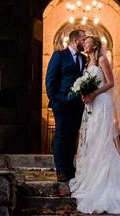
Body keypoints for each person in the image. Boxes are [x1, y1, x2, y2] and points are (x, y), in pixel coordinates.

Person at [70, 36, 120, 214]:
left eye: (87, 41)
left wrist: (94, 94)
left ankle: (105, 179)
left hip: (102, 103)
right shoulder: (86, 62)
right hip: (91, 104)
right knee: (91, 139)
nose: (84, 43)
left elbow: (111, 83)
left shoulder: (102, 59)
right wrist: (84, 94)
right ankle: (93, 177)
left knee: (101, 139)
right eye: (84, 41)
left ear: (95, 45)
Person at [45, 28, 87, 182]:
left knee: (72, 137)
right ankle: (61, 170)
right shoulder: (59, 56)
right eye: (84, 39)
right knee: (61, 136)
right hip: (61, 103)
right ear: (76, 41)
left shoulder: (83, 58)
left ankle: (70, 169)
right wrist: (55, 100)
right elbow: (50, 79)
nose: (86, 41)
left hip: (77, 105)